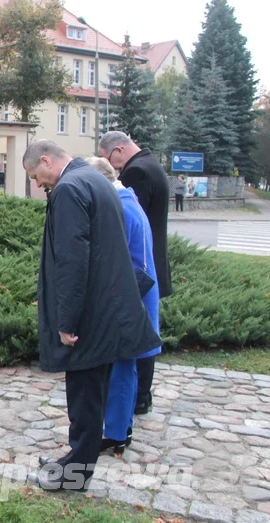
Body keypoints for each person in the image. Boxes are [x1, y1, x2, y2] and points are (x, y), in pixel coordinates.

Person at [24, 141, 161, 492]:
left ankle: (74, 476)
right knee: (91, 392)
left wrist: (66, 320)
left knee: (84, 394)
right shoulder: (94, 178)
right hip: (105, 309)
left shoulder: (70, 188)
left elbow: (73, 259)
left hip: (89, 315)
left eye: (35, 175)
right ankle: (74, 459)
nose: (38, 184)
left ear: (45, 161)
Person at [84, 157, 162, 455]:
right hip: (134, 299)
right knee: (123, 367)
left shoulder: (123, 207)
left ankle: (116, 432)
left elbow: (132, 265)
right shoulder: (128, 201)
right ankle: (120, 428)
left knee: (121, 367)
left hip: (130, 302)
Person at [98, 131, 172, 415]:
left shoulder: (137, 173)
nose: (112, 167)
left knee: (140, 333)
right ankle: (141, 395)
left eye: (108, 160)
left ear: (118, 150)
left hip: (140, 268)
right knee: (146, 330)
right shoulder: (151, 163)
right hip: (151, 263)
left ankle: (139, 396)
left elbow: (125, 222)